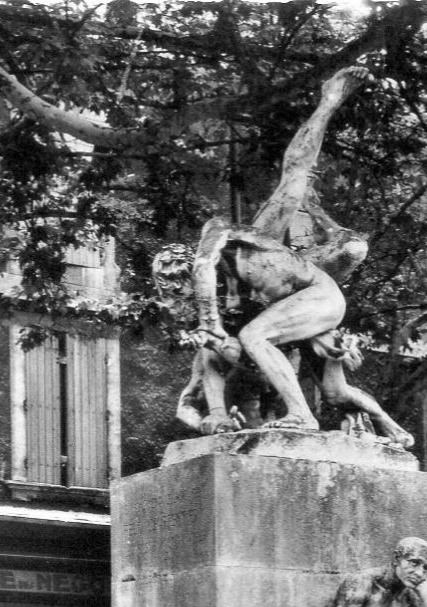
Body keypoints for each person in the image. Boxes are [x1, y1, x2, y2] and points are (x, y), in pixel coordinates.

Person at [154, 66, 412, 447]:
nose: (185, 292)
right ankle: (394, 429)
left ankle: (301, 416)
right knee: (335, 392)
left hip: (319, 297)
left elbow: (202, 266)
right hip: (308, 306)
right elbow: (209, 365)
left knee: (254, 333)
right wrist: (216, 413)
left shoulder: (228, 236)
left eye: (178, 285)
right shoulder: (240, 291)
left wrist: (208, 322)